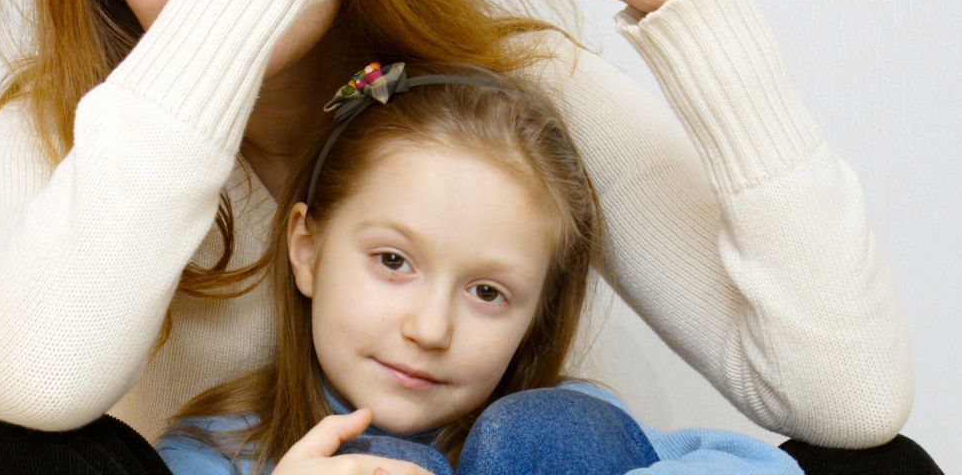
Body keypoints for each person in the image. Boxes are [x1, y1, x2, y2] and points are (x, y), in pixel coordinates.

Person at [0, 0, 941, 472]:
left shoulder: (515, 91)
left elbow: (848, 403)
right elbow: (34, 391)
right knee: (11, 463)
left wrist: (694, 4)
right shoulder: (51, 130)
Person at [153, 62, 804, 475]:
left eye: (488, 292)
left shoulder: (565, 431)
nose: (431, 328)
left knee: (538, 436)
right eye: (393, 261)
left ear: (536, 317)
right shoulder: (215, 453)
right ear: (308, 250)